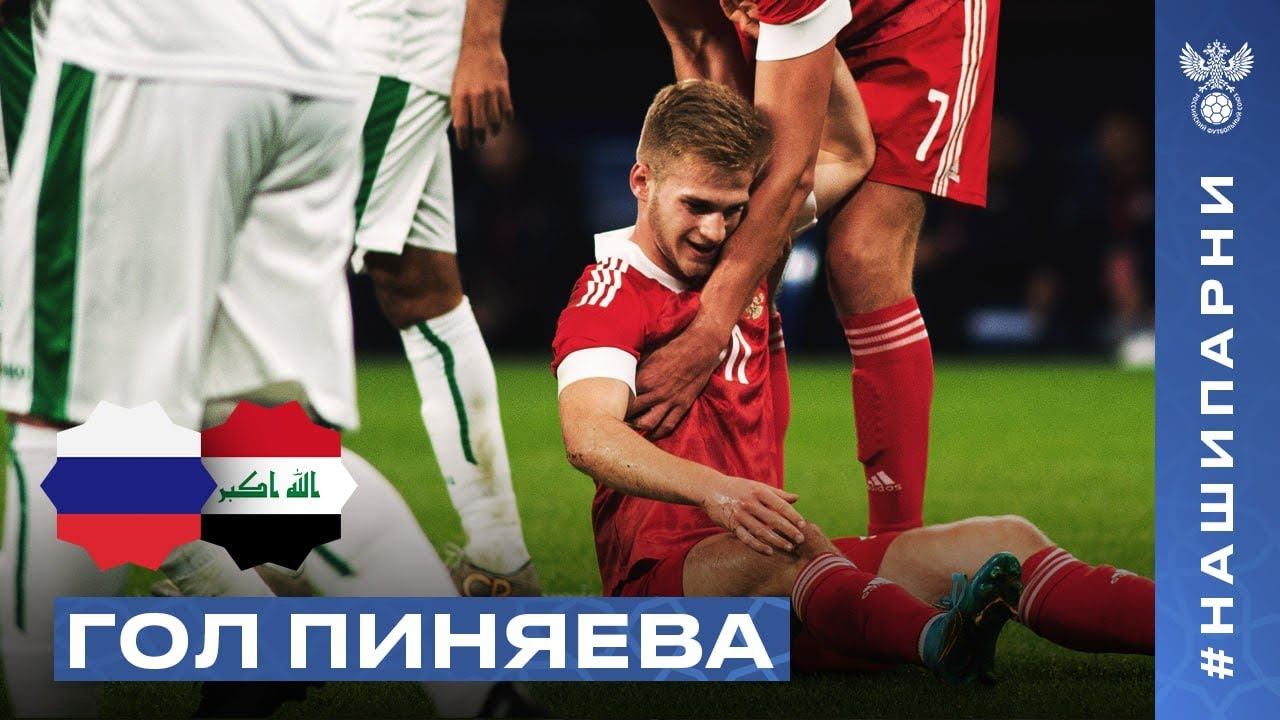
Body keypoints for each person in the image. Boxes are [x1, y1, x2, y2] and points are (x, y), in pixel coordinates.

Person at [552, 80, 1153, 681]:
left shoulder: (745, 253)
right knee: (786, 552)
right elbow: (588, 436)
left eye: (732, 209)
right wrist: (716, 491)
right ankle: (939, 641)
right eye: (696, 206)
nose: (714, 230)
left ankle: (1191, 627)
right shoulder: (609, 294)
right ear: (642, 182)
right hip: (662, 593)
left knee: (1006, 542)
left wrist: (817, 37)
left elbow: (850, 152)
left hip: (779, 565)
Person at [644, 0, 1002, 537]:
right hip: (787, 18)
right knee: (740, 250)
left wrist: (707, 332)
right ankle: (750, 531)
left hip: (913, 18)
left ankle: (898, 539)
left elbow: (792, 178)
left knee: (863, 259)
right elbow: (700, 44)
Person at [343, 0, 539, 596]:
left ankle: (253, 555)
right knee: (418, 286)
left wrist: (480, 38)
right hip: (345, 42)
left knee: (278, 273)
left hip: (381, 42)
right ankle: (499, 553)